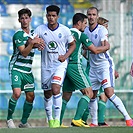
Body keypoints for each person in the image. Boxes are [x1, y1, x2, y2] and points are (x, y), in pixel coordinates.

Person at [84, 6, 133, 127]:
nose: (91, 17)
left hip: (104, 66)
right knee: (92, 94)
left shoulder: (102, 30)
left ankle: (128, 119)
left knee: (109, 93)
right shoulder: (85, 31)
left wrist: (95, 50)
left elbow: (106, 46)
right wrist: (87, 52)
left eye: (93, 15)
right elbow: (85, 50)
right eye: (89, 15)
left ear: (97, 16)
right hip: (93, 67)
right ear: (87, 16)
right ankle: (95, 122)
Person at [60, 13, 110, 127]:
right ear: (79, 23)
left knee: (66, 95)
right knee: (89, 92)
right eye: (84, 23)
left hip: (65, 66)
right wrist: (107, 47)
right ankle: (77, 119)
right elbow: (95, 51)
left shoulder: (66, 32)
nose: (85, 26)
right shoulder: (80, 35)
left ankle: (58, 121)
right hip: (75, 66)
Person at [31, 5, 76, 128]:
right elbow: (30, 42)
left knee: (56, 88)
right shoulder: (40, 29)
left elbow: (73, 45)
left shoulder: (65, 30)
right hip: (46, 66)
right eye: (49, 15)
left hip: (59, 65)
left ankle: (57, 121)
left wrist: (65, 56)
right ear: (46, 16)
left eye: (53, 16)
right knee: (47, 93)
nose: (51, 18)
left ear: (58, 16)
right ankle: (50, 120)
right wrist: (36, 45)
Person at [6, 8, 45, 128]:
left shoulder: (33, 34)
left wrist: (39, 44)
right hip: (17, 68)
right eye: (22, 18)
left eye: (26, 17)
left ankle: (23, 122)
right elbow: (23, 52)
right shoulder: (18, 35)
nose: (24, 20)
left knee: (30, 96)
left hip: (28, 70)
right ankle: (9, 119)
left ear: (30, 19)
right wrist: (33, 43)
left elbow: (39, 44)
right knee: (17, 93)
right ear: (19, 20)